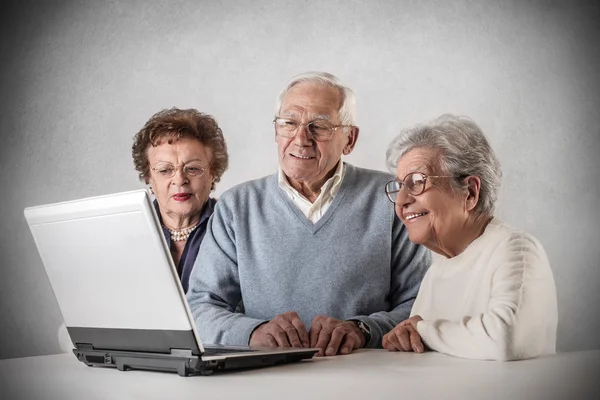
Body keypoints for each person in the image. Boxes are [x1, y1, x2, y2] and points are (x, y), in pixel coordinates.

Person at [186, 72, 431, 357]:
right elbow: (201, 308)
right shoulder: (236, 206)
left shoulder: (392, 198)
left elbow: (422, 303)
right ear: (276, 131)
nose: (301, 138)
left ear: (349, 139)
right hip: (265, 379)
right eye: (289, 123)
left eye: (320, 126)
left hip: (366, 376)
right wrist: (253, 332)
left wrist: (363, 330)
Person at [382, 114, 558, 361]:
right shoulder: (436, 270)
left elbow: (505, 339)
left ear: (470, 192)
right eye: (400, 186)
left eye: (417, 182)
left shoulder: (515, 249)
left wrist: (423, 330)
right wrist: (404, 338)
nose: (401, 201)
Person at [131, 107, 228, 292]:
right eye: (165, 170)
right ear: (149, 178)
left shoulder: (233, 230)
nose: (179, 180)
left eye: (192, 168)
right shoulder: (130, 234)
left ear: (213, 173)